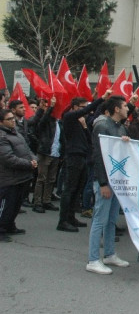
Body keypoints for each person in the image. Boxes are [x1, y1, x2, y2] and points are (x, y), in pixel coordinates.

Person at [86, 95, 131, 275]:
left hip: (117, 180)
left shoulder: (120, 127)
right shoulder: (102, 126)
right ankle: (93, 259)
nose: (128, 109)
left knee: (112, 219)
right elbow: (98, 155)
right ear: (116, 109)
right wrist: (103, 183)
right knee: (99, 219)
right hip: (105, 181)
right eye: (125, 106)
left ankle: (110, 254)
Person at [57, 93, 110, 233]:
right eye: (82, 107)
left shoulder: (81, 122)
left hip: (83, 157)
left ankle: (71, 217)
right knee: (69, 188)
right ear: (75, 107)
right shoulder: (68, 118)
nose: (87, 110)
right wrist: (101, 98)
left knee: (77, 188)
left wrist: (85, 126)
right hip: (73, 157)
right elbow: (87, 110)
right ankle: (63, 220)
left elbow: (89, 140)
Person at [0, 109, 38, 242]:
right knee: (7, 206)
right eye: (9, 119)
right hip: (9, 178)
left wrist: (33, 159)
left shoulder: (16, 133)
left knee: (16, 205)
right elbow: (8, 158)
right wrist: (28, 163)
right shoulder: (2, 136)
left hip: (21, 176)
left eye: (13, 118)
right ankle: (1, 229)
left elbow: (27, 149)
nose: (13, 121)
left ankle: (10, 225)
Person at [31, 97, 61, 214]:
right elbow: (41, 122)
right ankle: (37, 202)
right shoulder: (47, 121)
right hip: (45, 152)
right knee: (41, 178)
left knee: (51, 179)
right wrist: (50, 107)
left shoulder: (59, 122)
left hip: (56, 154)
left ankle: (46, 200)